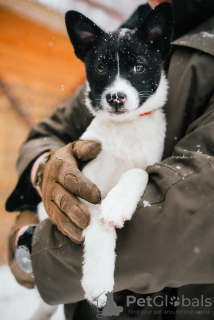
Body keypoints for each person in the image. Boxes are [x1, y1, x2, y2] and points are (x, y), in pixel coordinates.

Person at [5, 0, 214, 319]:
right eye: (103, 69)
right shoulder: (120, 39)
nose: (117, 91)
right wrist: (43, 171)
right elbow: (51, 131)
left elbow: (190, 217)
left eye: (138, 69)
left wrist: (38, 249)